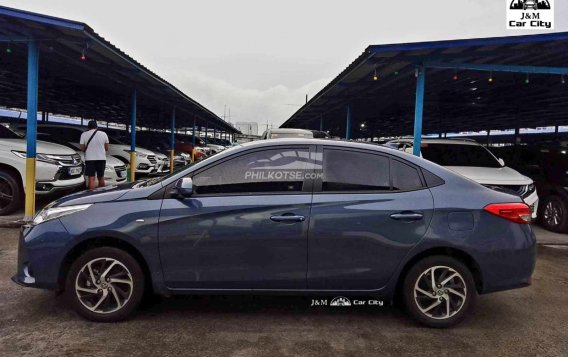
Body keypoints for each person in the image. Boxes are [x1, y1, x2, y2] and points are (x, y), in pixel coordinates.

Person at [79, 120, 109, 190]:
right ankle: (101, 194)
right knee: (101, 177)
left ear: (88, 127)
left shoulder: (84, 134)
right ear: (96, 126)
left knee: (91, 178)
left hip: (90, 159)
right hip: (101, 159)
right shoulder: (104, 134)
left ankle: (92, 196)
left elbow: (82, 148)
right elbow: (107, 148)